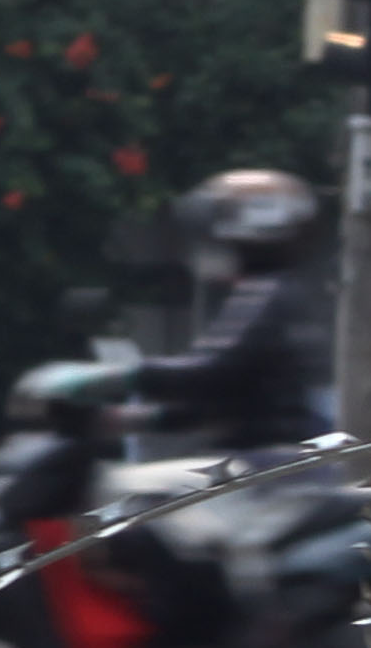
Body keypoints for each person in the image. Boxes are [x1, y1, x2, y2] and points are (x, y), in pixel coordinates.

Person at [130, 169, 332, 457]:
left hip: (265, 467)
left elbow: (211, 372)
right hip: (267, 461)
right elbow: (228, 396)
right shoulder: (276, 292)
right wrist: (130, 419)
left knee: (128, 493)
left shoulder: (266, 295)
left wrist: (123, 376)